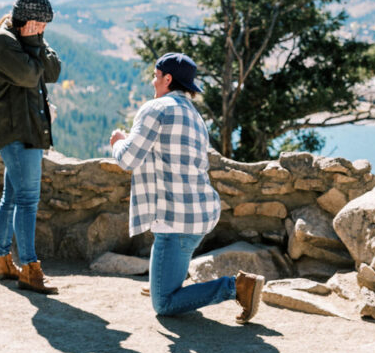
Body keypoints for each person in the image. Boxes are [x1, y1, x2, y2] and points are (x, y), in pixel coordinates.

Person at [110, 51, 264, 323]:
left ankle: (237, 287)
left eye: (156, 77)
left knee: (164, 304)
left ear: (167, 79)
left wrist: (118, 141)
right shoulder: (193, 114)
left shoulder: (155, 108)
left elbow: (128, 159)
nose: (153, 82)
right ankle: (166, 280)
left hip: (175, 220)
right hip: (200, 211)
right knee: (165, 282)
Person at [0, 0, 61, 294]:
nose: (42, 27)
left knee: (13, 197)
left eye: (45, 23)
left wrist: (37, 40)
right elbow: (31, 76)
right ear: (24, 18)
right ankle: (29, 268)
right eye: (39, 22)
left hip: (30, 132)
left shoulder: (32, 39)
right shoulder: (1, 42)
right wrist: (33, 44)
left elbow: (53, 72)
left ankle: (1, 261)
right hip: (17, 133)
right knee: (28, 200)